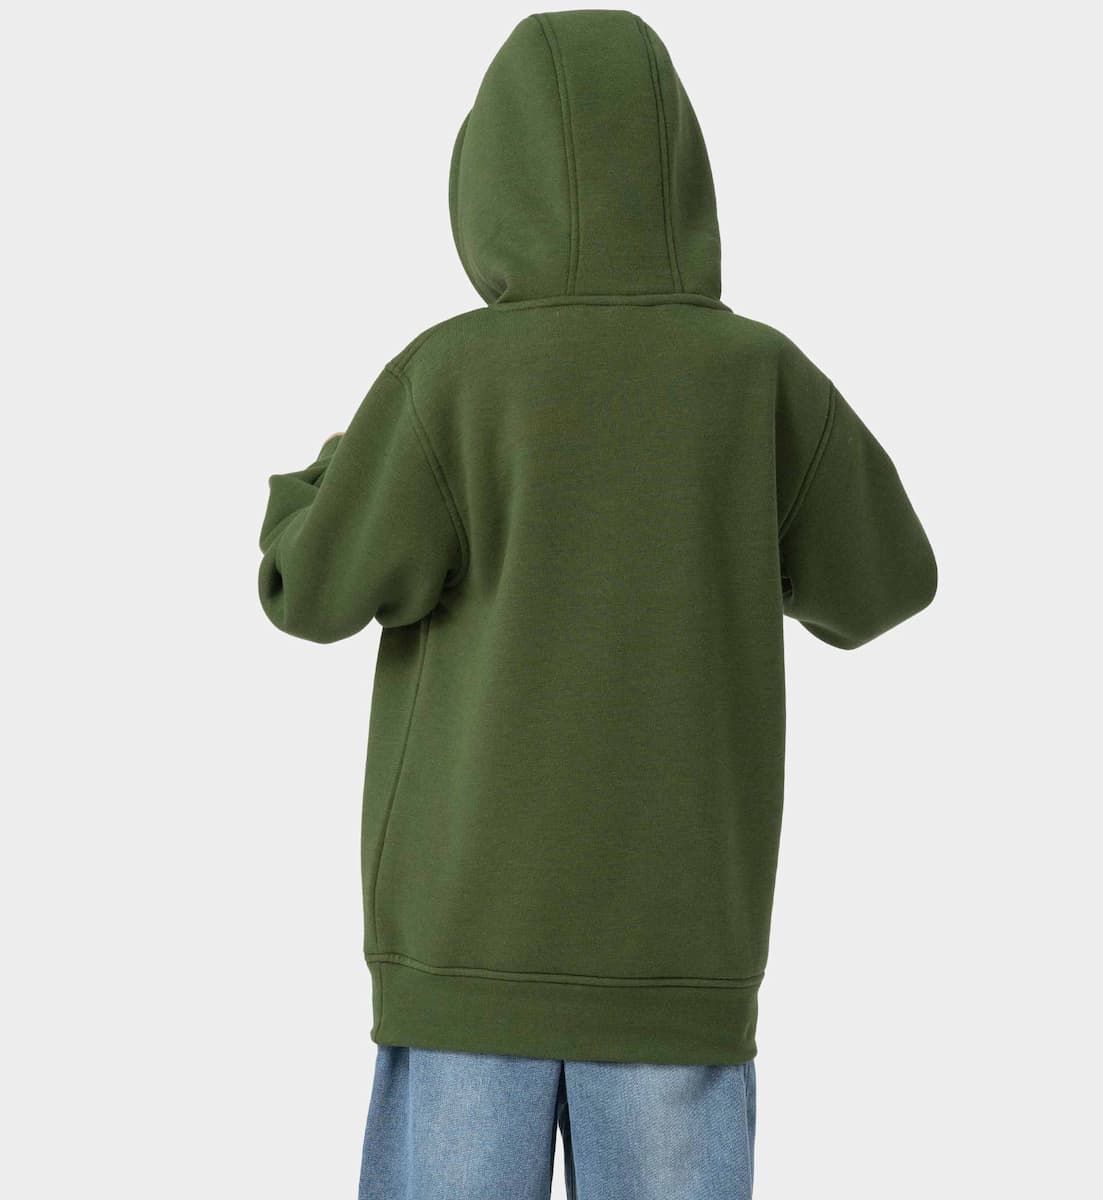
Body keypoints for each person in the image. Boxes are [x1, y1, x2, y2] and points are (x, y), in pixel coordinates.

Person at [257, 10, 936, 1198]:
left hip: (468, 949)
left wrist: (334, 470)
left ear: (490, 180)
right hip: (681, 954)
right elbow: (887, 581)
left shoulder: (450, 377)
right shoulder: (758, 376)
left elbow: (305, 588)